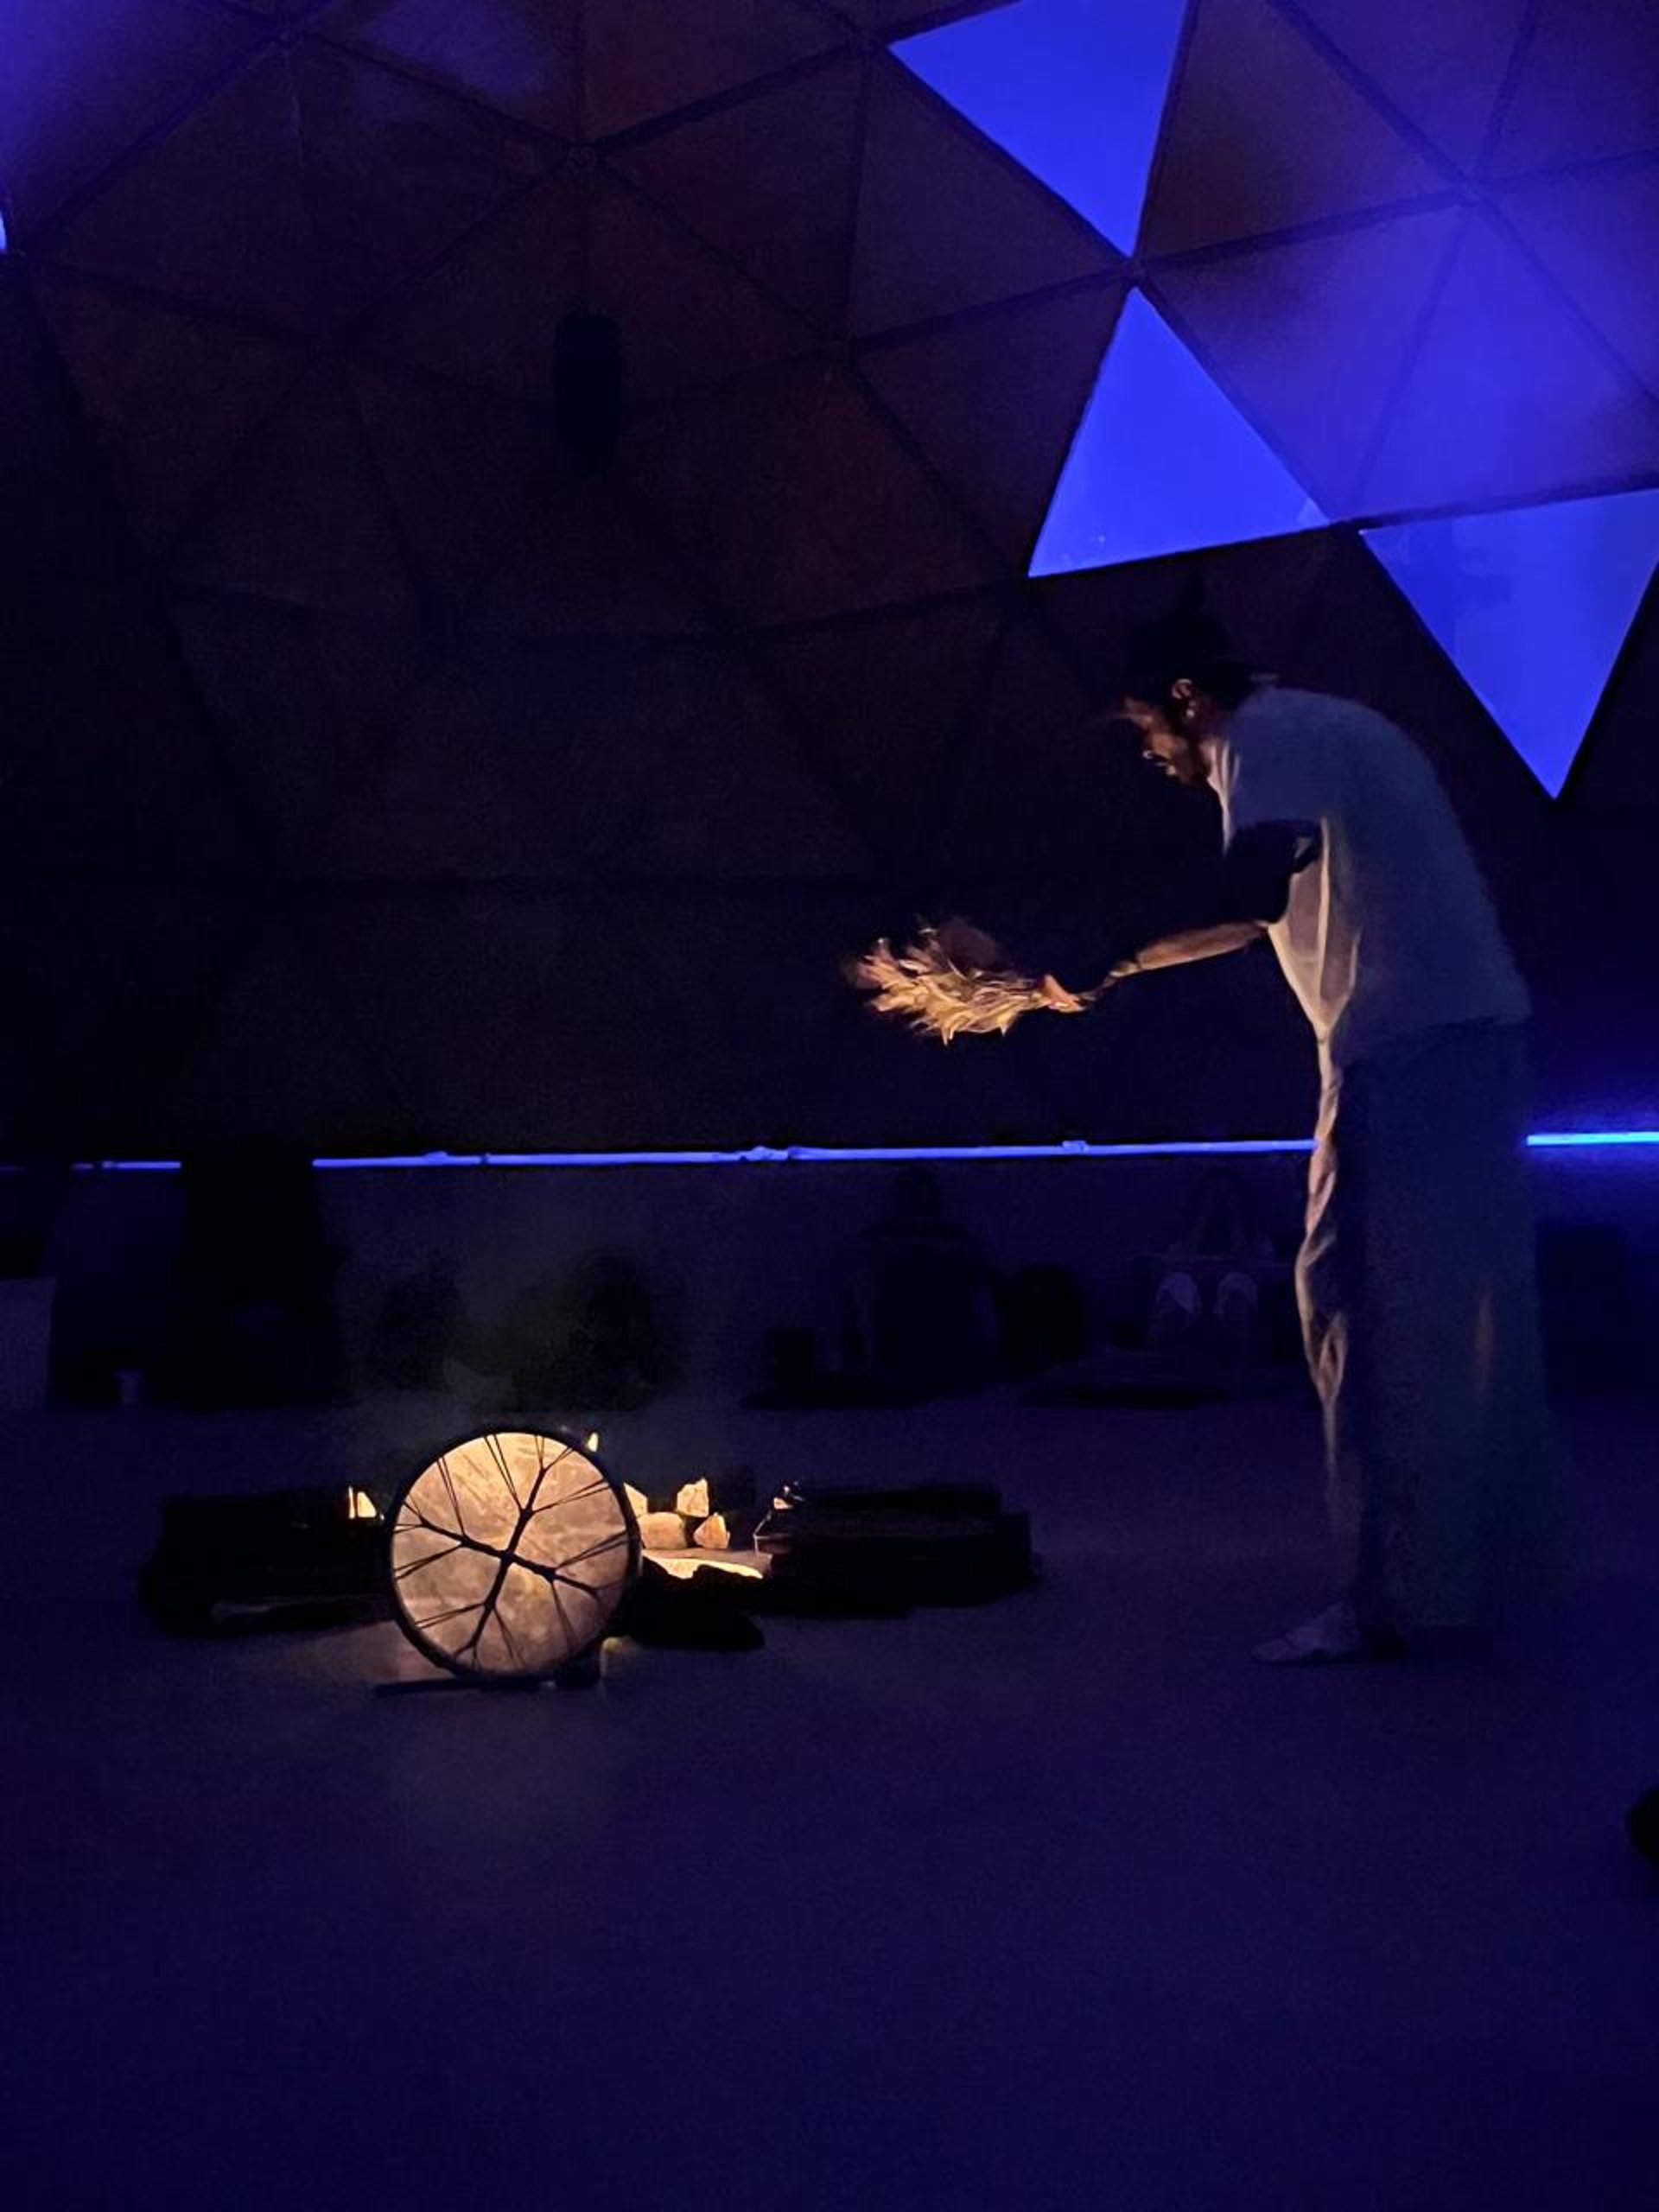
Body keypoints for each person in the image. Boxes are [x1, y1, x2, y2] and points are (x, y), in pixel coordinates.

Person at [865, 594, 1567, 1663]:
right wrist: (1116, 965)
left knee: (1361, 1312)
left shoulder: (1266, 736)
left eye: (1146, 723)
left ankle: (1394, 1603)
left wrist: (1106, 953)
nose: (1150, 749)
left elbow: (1250, 886)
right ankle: (1487, 1574)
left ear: (1188, 697)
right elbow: (1254, 911)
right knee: (1460, 1313)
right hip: (1460, 1039)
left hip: (1408, 1048)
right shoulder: (1324, 727)